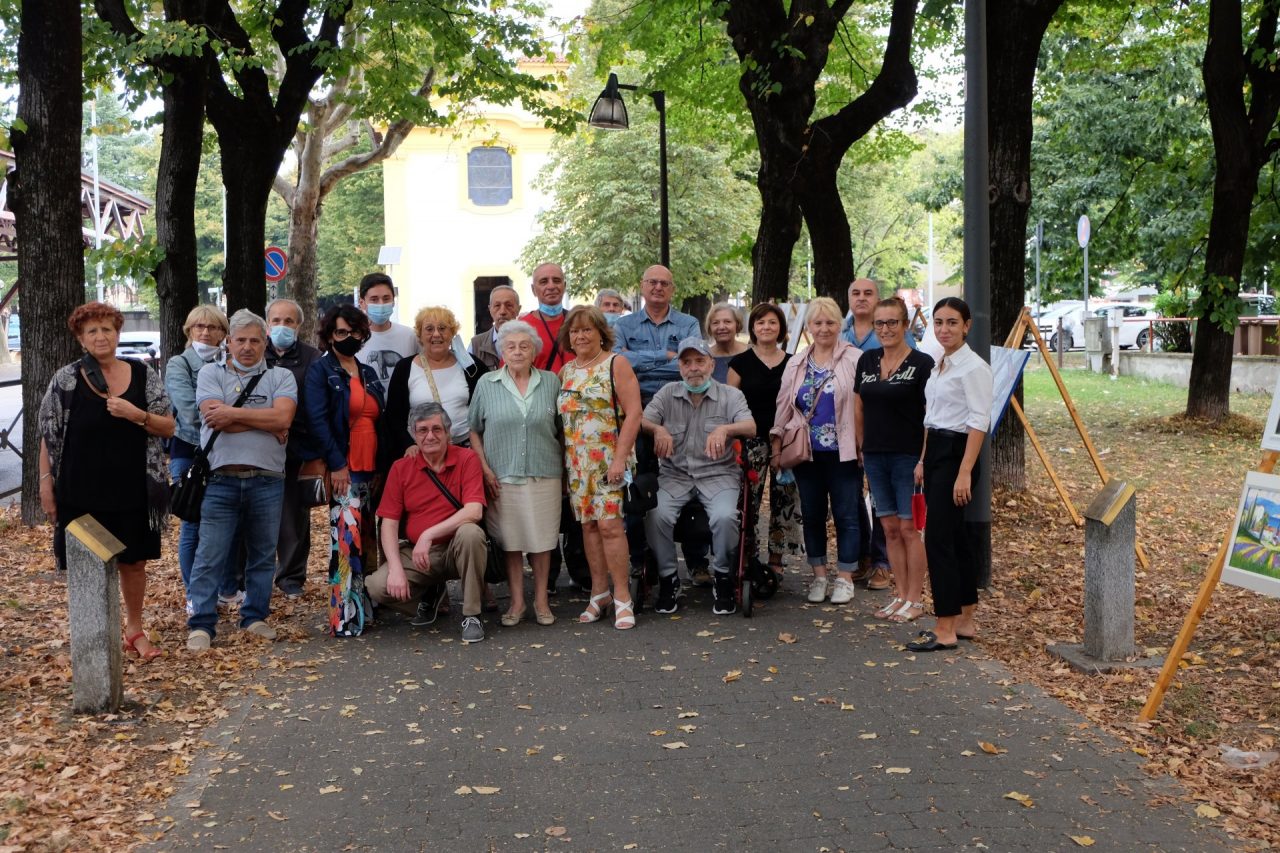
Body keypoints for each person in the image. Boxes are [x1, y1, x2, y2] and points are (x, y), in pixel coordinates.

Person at [38, 302, 176, 661]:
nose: (101, 336)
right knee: (87, 563)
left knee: (133, 563)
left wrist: (137, 414)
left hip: (133, 487)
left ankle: (134, 630)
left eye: (107, 329)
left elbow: (169, 426)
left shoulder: (143, 374)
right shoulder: (66, 379)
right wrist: (44, 485)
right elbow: (47, 436)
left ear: (118, 333)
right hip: (79, 492)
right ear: (81, 339)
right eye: (92, 331)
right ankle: (93, 635)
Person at [185, 310, 298, 651]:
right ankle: (202, 624)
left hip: (267, 479)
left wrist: (232, 413)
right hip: (220, 479)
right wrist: (267, 422)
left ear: (265, 343)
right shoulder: (209, 373)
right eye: (241, 340)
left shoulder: (282, 378)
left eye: (254, 340)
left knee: (263, 553)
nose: (247, 347)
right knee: (210, 553)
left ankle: (254, 617)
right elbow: (213, 418)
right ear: (228, 342)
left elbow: (283, 415)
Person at [642, 337, 755, 615]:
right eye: (687, 362)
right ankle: (669, 578)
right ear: (680, 367)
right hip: (675, 475)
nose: (694, 368)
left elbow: (750, 426)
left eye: (700, 361)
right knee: (655, 515)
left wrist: (725, 430)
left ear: (711, 364)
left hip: (718, 474)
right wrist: (658, 430)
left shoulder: (730, 395)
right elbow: (643, 419)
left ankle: (723, 575)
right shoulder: (667, 393)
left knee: (726, 517)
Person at [907, 297, 993, 653]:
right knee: (955, 539)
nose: (944, 329)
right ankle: (966, 618)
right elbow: (933, 416)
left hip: (959, 453)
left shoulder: (973, 367)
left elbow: (978, 422)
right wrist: (924, 460)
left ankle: (945, 627)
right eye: (938, 322)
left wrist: (964, 472)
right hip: (938, 452)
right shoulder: (940, 363)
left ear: (967, 325)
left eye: (952, 322)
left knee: (938, 540)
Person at [368, 403, 491, 644]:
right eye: (422, 430)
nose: (430, 436)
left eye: (437, 429)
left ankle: (472, 615)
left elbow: (474, 510)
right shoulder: (401, 468)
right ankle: (430, 591)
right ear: (414, 434)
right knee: (376, 586)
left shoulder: (467, 459)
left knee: (470, 533)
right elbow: (389, 524)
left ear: (448, 432)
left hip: (459, 548)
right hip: (421, 556)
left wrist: (428, 535)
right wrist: (394, 568)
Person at [468, 320, 563, 627]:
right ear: (501, 352)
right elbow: (473, 430)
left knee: (542, 540)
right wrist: (484, 469)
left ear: (534, 351)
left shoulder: (551, 382)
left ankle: (542, 601)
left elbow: (562, 430)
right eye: (511, 346)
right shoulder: (487, 383)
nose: (518, 351)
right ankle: (518, 602)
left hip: (544, 472)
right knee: (510, 541)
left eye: (524, 346)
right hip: (501, 475)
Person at [770, 296, 863, 606]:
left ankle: (846, 578)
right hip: (806, 452)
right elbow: (784, 404)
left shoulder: (854, 359)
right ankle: (820, 575)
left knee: (847, 514)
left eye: (830, 322)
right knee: (811, 515)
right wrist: (776, 437)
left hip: (843, 450)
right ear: (808, 327)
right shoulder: (796, 362)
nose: (824, 328)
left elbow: (863, 405)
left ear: (840, 325)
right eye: (817, 323)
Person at [613, 265, 703, 576]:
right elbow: (616, 362)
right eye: (652, 282)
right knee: (639, 487)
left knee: (690, 481)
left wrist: (636, 359)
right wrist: (665, 356)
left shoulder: (688, 322)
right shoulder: (623, 325)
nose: (658, 288)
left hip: (680, 409)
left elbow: (691, 364)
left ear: (672, 290)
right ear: (642, 286)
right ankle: (642, 561)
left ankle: (696, 560)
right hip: (633, 412)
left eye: (664, 283)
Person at [557, 306, 642, 629]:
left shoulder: (615, 364)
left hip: (609, 459)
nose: (580, 336)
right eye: (575, 331)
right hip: (577, 464)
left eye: (587, 330)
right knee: (588, 528)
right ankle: (599, 593)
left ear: (600, 333)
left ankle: (623, 596)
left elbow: (633, 413)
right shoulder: (567, 371)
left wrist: (620, 457)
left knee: (610, 527)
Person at [306, 305, 386, 636]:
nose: (349, 338)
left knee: (367, 541)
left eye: (355, 333)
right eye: (341, 332)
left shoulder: (366, 371)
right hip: (345, 467)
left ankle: (365, 606)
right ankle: (344, 617)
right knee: (346, 541)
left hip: (371, 466)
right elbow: (317, 420)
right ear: (329, 335)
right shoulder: (321, 371)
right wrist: (337, 464)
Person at [855, 297, 935, 624]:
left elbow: (933, 415)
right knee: (888, 527)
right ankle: (899, 595)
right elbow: (858, 405)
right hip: (875, 454)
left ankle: (915, 599)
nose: (885, 329)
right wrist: (861, 447)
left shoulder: (922, 363)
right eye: (879, 323)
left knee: (909, 528)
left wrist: (923, 459)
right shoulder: (867, 360)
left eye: (892, 323)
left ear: (905, 325)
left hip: (908, 456)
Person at [165, 305, 241, 607]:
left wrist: (228, 414)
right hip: (191, 452)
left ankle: (226, 589)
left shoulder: (233, 363)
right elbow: (187, 407)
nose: (206, 333)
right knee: (193, 522)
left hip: (229, 452)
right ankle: (194, 595)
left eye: (213, 327)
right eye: (199, 327)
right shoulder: (179, 364)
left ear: (223, 333)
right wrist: (230, 416)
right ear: (189, 331)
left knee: (228, 521)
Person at [842, 277, 910, 591]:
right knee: (851, 497)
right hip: (846, 432)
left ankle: (883, 563)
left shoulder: (892, 337)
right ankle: (860, 558)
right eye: (855, 293)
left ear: (877, 298)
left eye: (868, 293)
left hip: (889, 434)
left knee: (881, 502)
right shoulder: (838, 331)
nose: (861, 298)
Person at [726, 303, 802, 583]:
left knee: (786, 499)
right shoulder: (740, 363)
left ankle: (776, 558)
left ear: (781, 328)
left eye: (772, 322)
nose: (766, 327)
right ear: (753, 328)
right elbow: (730, 403)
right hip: (751, 440)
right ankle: (748, 555)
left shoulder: (793, 362)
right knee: (748, 499)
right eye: (760, 323)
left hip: (786, 438)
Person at [264, 297, 323, 598]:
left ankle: (290, 577)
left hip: (295, 447)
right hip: (258, 446)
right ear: (267, 324)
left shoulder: (313, 358)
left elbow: (316, 406)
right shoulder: (254, 354)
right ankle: (250, 577)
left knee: (293, 518)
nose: (282, 327)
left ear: (299, 325)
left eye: (289, 321)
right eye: (276, 321)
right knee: (254, 513)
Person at [385, 306, 488, 455]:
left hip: (464, 450)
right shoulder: (405, 368)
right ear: (419, 335)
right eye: (429, 329)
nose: (436, 334)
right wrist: (407, 445)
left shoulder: (471, 366)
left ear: (452, 333)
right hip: (422, 451)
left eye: (442, 328)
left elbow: (485, 407)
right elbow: (394, 415)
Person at [356, 272, 420, 394]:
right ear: (362, 303)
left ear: (393, 301)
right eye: (374, 299)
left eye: (386, 298)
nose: (381, 304)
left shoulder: (410, 336)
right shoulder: (353, 338)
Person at [520, 262, 571, 375]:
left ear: (564, 286)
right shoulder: (521, 327)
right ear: (533, 290)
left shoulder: (580, 321)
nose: (551, 286)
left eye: (557, 280)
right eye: (544, 282)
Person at [470, 285, 521, 371]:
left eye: (509, 305)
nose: (502, 312)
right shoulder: (476, 344)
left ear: (518, 309)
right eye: (497, 306)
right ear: (490, 309)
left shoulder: (529, 341)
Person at [706, 302, 748, 383]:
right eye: (715, 323)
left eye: (727, 321)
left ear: (737, 325)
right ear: (709, 328)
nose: (721, 327)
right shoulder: (704, 357)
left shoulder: (752, 353)